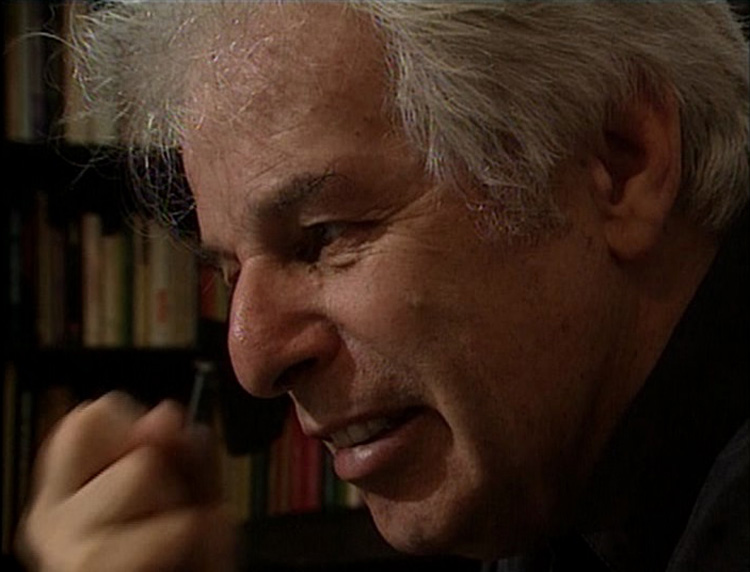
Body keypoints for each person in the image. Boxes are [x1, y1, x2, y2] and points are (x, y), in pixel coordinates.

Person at [15, 2, 749, 571]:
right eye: (231, 273)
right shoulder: (549, 490)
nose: (252, 358)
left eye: (324, 235)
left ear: (619, 164)